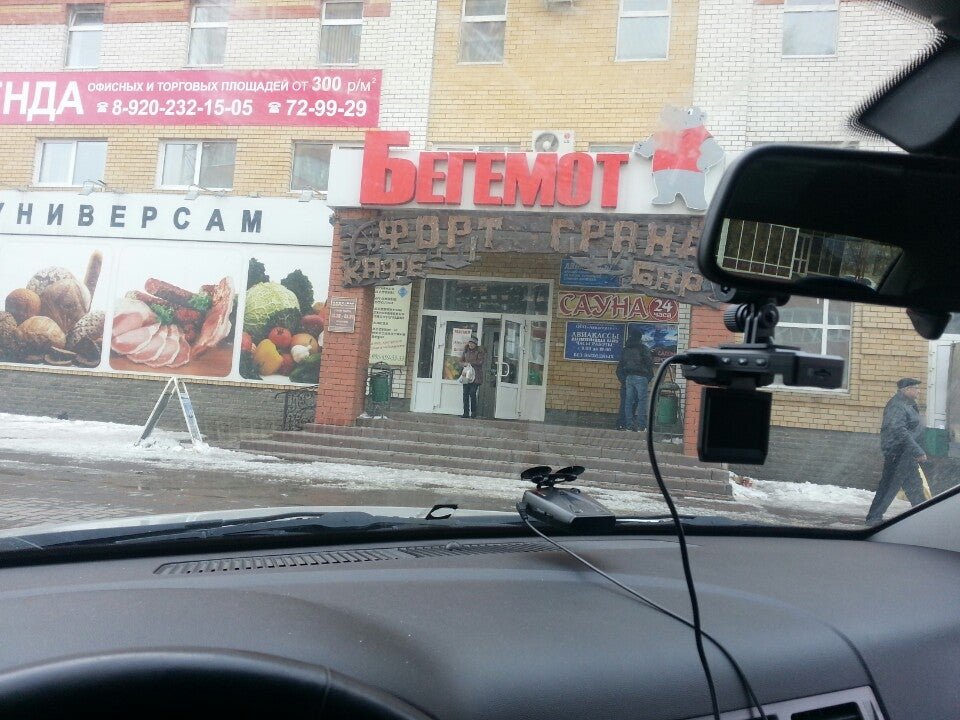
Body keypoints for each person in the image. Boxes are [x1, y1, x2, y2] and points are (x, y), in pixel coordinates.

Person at [866, 377, 928, 526]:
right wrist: (917, 451)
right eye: (916, 388)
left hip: (906, 454)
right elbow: (899, 431)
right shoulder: (897, 406)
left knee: (914, 487)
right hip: (898, 453)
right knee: (889, 486)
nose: (919, 391)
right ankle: (873, 518)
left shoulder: (907, 404)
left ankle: (924, 516)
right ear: (907, 390)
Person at [616, 330, 654, 432]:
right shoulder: (643, 348)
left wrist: (624, 380)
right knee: (642, 401)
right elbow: (649, 363)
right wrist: (648, 377)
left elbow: (621, 365)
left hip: (628, 377)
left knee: (628, 402)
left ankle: (629, 425)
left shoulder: (626, 349)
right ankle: (641, 425)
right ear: (640, 338)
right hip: (641, 377)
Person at [460, 335, 485, 419]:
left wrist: (470, 363)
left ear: (476, 344)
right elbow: (461, 361)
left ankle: (473, 412)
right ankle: (466, 412)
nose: (471, 345)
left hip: (476, 375)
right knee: (465, 394)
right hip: (467, 374)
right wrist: (464, 364)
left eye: (473, 343)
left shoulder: (479, 352)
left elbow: (480, 362)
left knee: (472, 393)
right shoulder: (466, 351)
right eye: (470, 343)